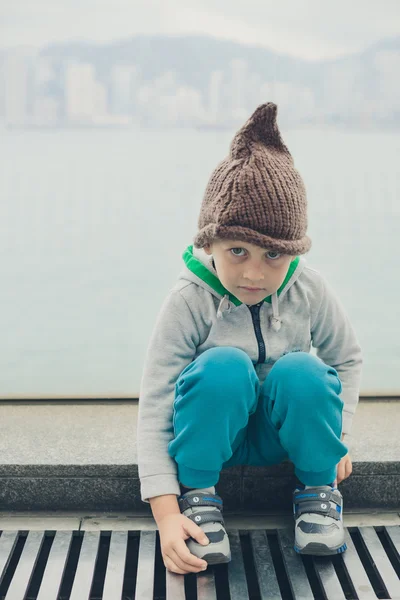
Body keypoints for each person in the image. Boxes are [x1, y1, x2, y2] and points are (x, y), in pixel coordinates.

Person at [137, 102, 362, 575]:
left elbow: (346, 358)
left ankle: (319, 495)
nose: (255, 273)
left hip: (283, 435)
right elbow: (157, 397)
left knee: (304, 370)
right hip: (209, 439)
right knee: (222, 367)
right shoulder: (189, 298)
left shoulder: (308, 288)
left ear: (293, 252)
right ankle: (201, 499)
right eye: (236, 251)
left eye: (274, 255)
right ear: (209, 244)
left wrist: (337, 435)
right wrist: (167, 513)